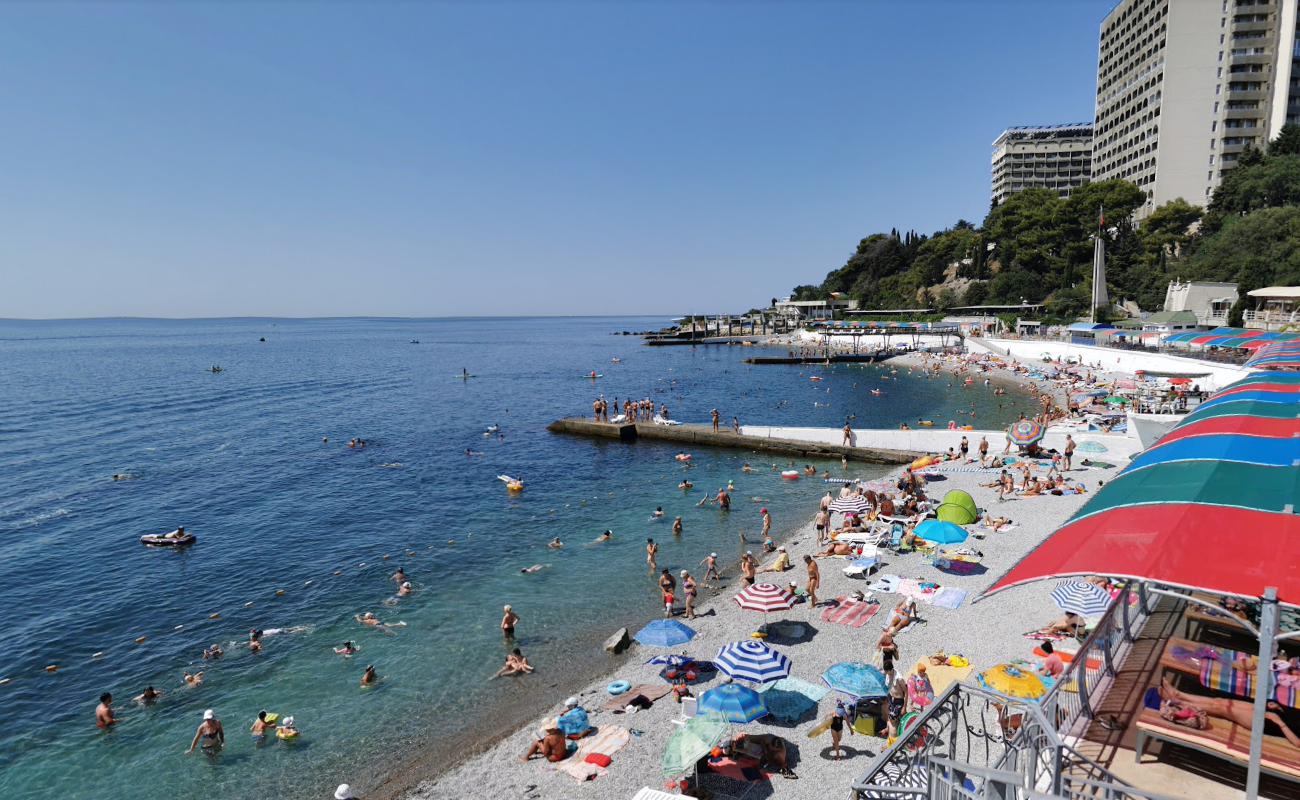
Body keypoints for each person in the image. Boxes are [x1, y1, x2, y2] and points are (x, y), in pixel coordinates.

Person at [1158, 677, 1300, 746]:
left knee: (1223, 708)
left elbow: (1297, 743)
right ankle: (1179, 694)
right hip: (1272, 711)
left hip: (1268, 724)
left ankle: (1180, 703)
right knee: (1221, 701)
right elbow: (1292, 713)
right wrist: (1277, 706)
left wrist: (1280, 723)